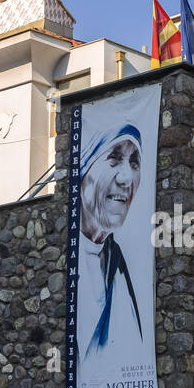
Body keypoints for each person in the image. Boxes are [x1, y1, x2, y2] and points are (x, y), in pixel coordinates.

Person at [77, 123, 144, 357]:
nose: (127, 178)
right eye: (114, 158)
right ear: (84, 168)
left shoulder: (118, 266)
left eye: (134, 162)